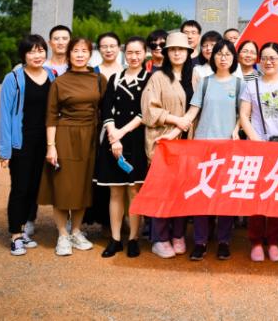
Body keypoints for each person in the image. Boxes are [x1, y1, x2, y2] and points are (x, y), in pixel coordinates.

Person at [39, 37, 107, 257]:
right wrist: (51, 146)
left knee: (83, 187)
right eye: (75, 50)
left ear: (90, 54)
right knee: (63, 187)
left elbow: (106, 110)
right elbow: (51, 116)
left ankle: (76, 231)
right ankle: (62, 234)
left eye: (84, 51)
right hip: (65, 136)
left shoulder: (99, 79)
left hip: (90, 137)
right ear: (68, 54)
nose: (79, 54)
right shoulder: (59, 82)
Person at [238, 41, 278, 262]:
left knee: (277, 194)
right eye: (264, 58)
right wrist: (256, 141)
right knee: (257, 195)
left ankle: (273, 240)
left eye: (273, 58)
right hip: (258, 147)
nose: (268, 62)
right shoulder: (251, 85)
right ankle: (256, 241)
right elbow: (244, 115)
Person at [0, 34, 56, 256]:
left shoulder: (51, 75)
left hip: (44, 141)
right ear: (23, 55)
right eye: (31, 51)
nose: (37, 55)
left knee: (34, 188)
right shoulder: (13, 78)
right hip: (21, 142)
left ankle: (24, 230)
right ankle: (15, 235)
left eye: (40, 50)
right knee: (20, 188)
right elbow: (5, 115)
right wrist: (5, 151)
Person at [141, 31, 195, 258]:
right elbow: (148, 110)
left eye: (181, 49)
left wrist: (185, 124)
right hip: (163, 141)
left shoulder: (195, 77)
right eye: (172, 49)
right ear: (166, 53)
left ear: (188, 52)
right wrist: (176, 121)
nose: (177, 53)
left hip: (189, 143)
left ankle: (178, 234)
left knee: (182, 191)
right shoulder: (158, 78)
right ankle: (160, 237)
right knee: (162, 191)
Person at [187, 39, 242, 262]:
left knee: (225, 196)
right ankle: (200, 241)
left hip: (228, 147)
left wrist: (236, 129)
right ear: (212, 57)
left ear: (233, 58)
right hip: (203, 147)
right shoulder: (205, 82)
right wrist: (173, 131)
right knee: (202, 194)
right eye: (219, 53)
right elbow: (192, 112)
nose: (223, 58)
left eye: (228, 54)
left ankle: (224, 241)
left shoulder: (239, 84)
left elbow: (243, 115)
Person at [94, 36, 150, 258]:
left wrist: (121, 133)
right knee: (115, 191)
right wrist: (113, 136)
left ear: (144, 54)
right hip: (113, 140)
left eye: (138, 52)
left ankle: (134, 238)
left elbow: (145, 112)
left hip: (136, 140)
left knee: (134, 190)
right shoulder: (115, 78)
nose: (134, 57)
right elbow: (106, 109)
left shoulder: (149, 79)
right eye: (130, 53)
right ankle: (116, 239)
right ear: (124, 54)